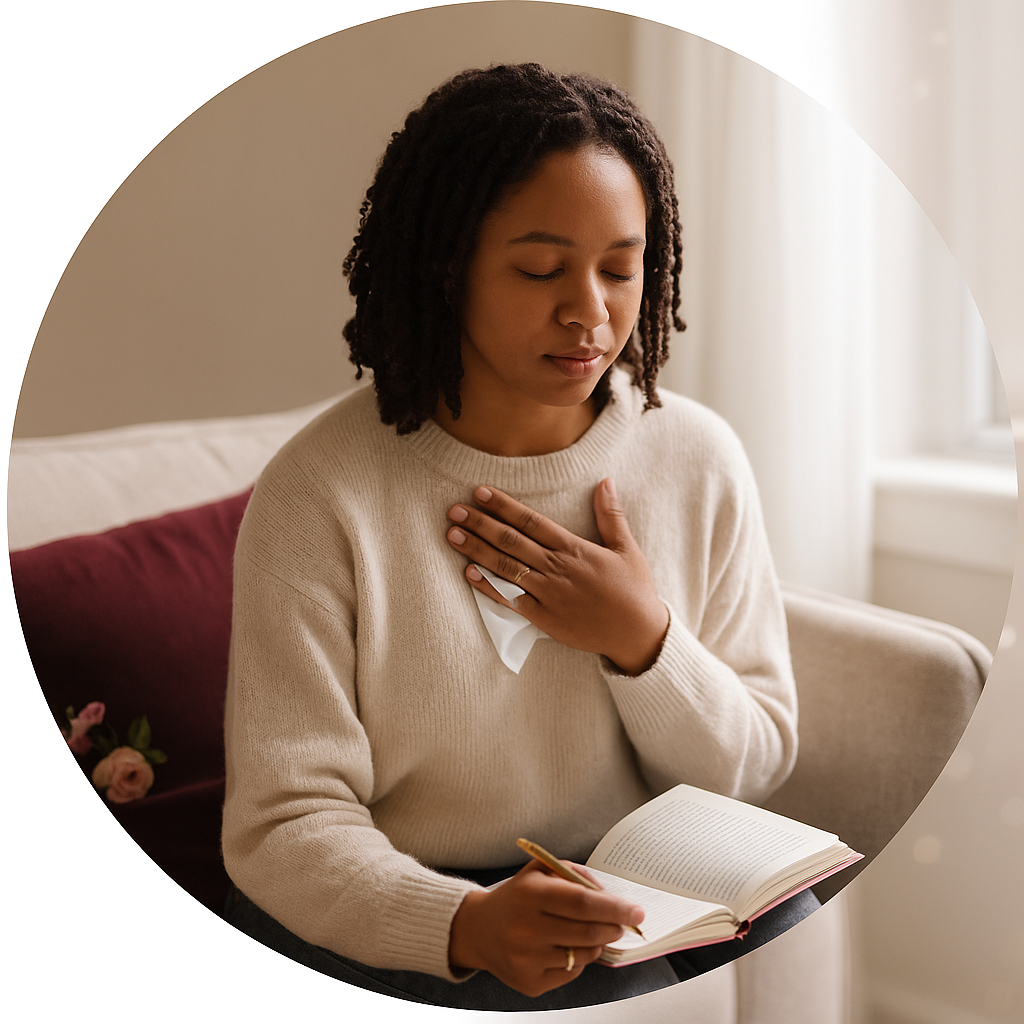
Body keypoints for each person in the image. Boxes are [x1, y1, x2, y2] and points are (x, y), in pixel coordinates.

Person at [221, 63, 812, 1011]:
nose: (590, 310)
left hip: (636, 874)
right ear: (444, 264)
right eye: (540, 270)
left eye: (622, 268)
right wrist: (458, 923)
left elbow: (755, 763)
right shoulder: (319, 494)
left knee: (791, 919)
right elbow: (282, 824)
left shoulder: (697, 457)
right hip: (417, 890)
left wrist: (643, 641)